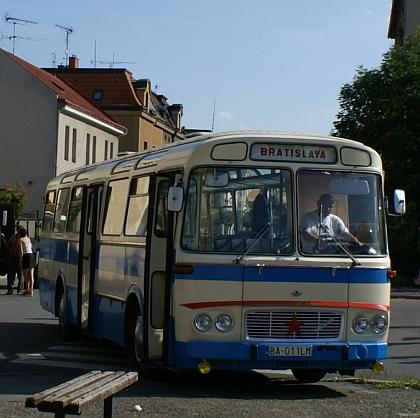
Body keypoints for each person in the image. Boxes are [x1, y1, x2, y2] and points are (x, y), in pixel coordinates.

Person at [17, 226, 36, 297]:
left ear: (20, 234)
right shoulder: (28, 239)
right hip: (31, 256)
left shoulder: (20, 240)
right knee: (31, 275)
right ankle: (31, 291)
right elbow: (31, 247)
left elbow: (21, 252)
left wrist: (20, 260)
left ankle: (27, 290)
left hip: (26, 257)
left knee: (26, 275)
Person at [6, 228, 23, 295]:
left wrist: (21, 258)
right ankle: (11, 289)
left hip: (18, 257)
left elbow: (21, 251)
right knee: (11, 274)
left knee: (19, 274)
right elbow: (8, 244)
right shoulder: (14, 237)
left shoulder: (21, 238)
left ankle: (19, 289)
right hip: (13, 257)